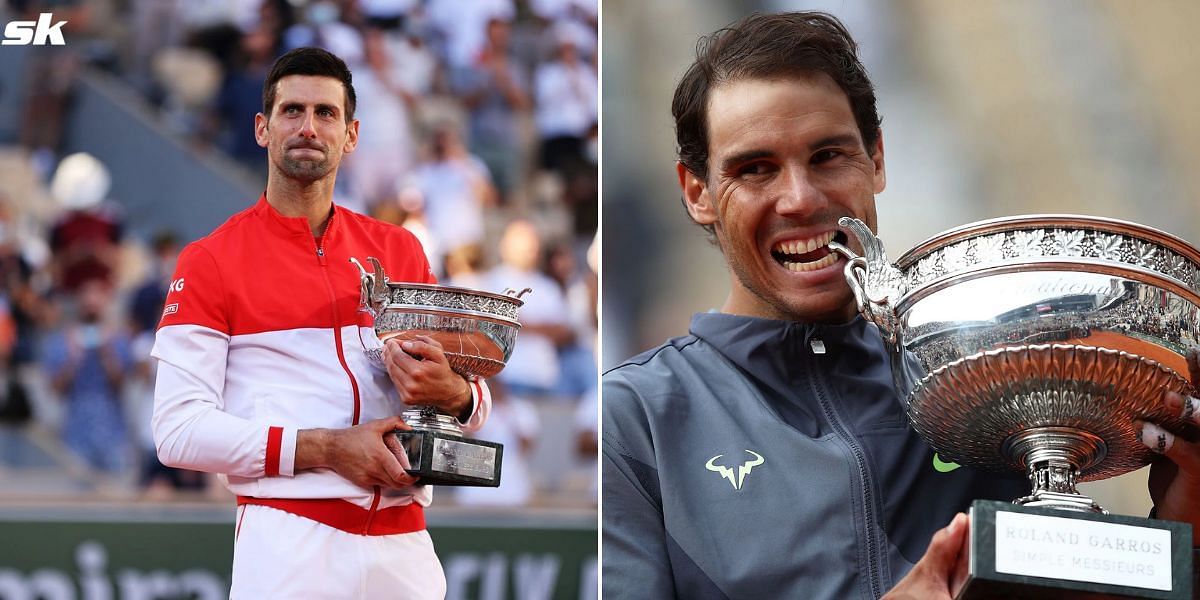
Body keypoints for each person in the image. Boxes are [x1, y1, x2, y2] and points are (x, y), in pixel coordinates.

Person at [601, 12, 1200, 599]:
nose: (801, 199)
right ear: (697, 191)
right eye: (755, 169)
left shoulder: (989, 372)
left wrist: (1184, 536)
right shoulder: (634, 422)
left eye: (828, 156)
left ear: (877, 159)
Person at [151, 47, 491, 599]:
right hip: (289, 538)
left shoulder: (400, 248)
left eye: (326, 113)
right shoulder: (211, 259)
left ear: (351, 134)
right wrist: (327, 448)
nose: (308, 127)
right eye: (292, 111)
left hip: (406, 543)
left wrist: (456, 395)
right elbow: (177, 432)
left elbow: (466, 400)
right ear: (263, 129)